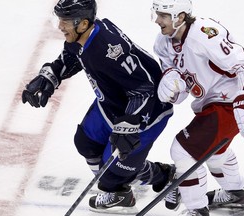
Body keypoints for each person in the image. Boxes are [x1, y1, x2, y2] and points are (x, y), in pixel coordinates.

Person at [21, 0, 175, 214]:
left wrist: (129, 124)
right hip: (114, 102)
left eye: (65, 21)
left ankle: (164, 176)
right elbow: (72, 55)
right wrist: (52, 75)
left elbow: (146, 87)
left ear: (83, 24)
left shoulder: (110, 50)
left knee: (113, 171)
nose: (60, 26)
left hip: (148, 110)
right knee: (86, 142)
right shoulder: (83, 35)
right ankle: (119, 193)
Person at [151, 0, 244, 215]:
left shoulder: (204, 34)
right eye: (157, 14)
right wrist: (171, 80)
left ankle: (197, 209)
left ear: (180, 16)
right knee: (215, 152)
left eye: (163, 15)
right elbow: (179, 88)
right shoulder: (163, 42)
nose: (158, 20)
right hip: (211, 102)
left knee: (183, 151)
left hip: (234, 100)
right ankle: (236, 193)